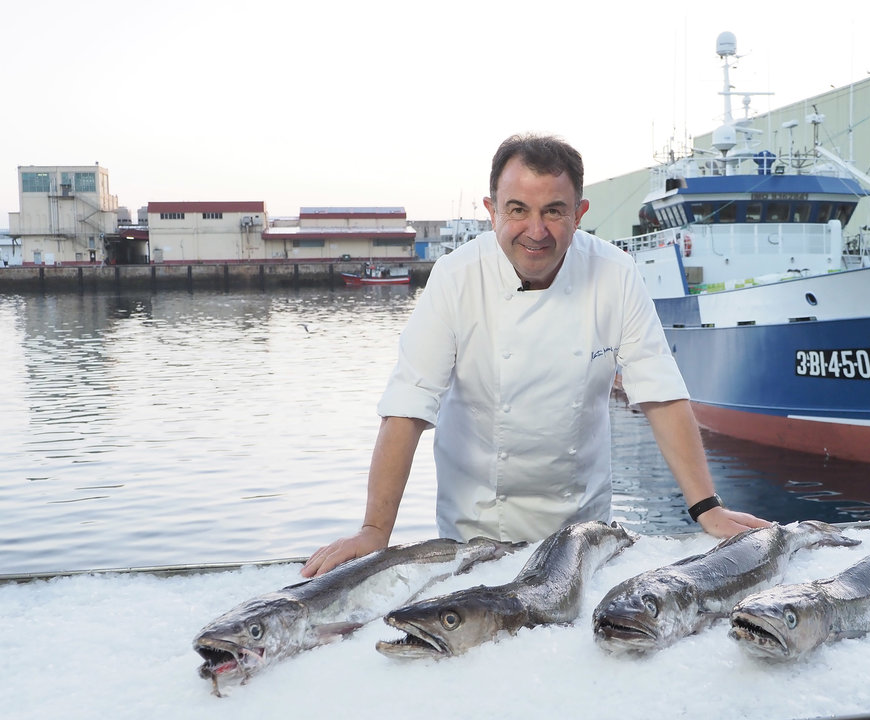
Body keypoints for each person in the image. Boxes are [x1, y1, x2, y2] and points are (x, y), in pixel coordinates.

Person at [301, 134, 768, 578]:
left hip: (582, 534)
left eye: (554, 211)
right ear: (491, 211)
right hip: (474, 531)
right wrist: (375, 530)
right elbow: (409, 404)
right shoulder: (455, 278)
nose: (536, 231)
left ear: (580, 213)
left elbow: (660, 393)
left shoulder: (615, 274)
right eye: (518, 210)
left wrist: (707, 508)